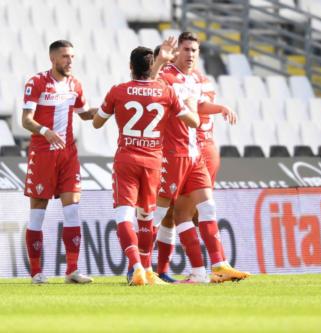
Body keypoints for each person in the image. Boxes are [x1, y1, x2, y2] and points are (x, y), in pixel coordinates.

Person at [92, 44, 199, 286]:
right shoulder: (166, 91)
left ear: (130, 67)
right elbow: (192, 121)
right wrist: (184, 106)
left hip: (127, 160)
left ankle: (136, 267)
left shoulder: (118, 91)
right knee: (146, 218)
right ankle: (147, 269)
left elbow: (97, 123)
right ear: (152, 67)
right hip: (153, 162)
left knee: (123, 215)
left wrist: (107, 112)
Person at [151, 32, 247, 283]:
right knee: (164, 214)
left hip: (194, 153)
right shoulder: (166, 75)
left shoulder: (193, 80)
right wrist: (160, 60)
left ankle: (214, 266)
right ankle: (143, 267)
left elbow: (197, 107)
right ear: (176, 51)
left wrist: (221, 108)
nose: (190, 54)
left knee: (204, 207)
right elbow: (148, 82)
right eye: (186, 49)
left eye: (194, 50)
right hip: (170, 153)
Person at [22, 40, 95, 284]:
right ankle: (36, 272)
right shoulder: (37, 82)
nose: (70, 61)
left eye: (72, 56)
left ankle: (72, 271)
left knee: (72, 211)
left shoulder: (76, 84)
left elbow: (84, 114)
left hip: (68, 155)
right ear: (53, 58)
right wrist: (45, 131)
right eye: (65, 56)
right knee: (37, 215)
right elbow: (26, 120)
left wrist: (106, 109)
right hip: (43, 153)